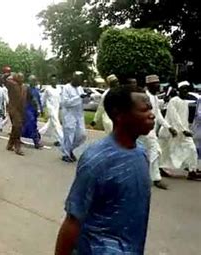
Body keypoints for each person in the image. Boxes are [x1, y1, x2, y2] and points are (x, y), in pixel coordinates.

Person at [55, 85, 154, 255]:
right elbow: (73, 220)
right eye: (144, 110)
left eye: (150, 108)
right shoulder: (96, 160)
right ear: (119, 115)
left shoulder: (142, 153)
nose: (151, 115)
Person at [139, 74, 177, 190]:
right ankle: (156, 179)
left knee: (146, 154)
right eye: (156, 84)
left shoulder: (154, 97)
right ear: (149, 85)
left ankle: (143, 176)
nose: (159, 86)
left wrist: (168, 127)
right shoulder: (145, 97)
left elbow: (158, 114)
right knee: (155, 151)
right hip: (145, 131)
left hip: (150, 130)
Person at [159, 81, 201, 180]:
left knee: (191, 149)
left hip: (182, 132)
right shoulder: (174, 100)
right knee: (165, 151)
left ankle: (192, 171)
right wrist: (183, 130)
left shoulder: (184, 102)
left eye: (187, 89)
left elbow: (184, 119)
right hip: (171, 131)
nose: (185, 91)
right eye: (183, 89)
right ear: (179, 90)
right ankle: (160, 169)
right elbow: (174, 117)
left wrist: (186, 129)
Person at [60, 71, 88, 163]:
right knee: (69, 135)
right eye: (79, 79)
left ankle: (69, 149)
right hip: (69, 115)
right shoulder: (66, 88)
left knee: (82, 135)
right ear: (74, 78)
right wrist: (79, 97)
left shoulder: (80, 88)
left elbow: (84, 101)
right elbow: (66, 103)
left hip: (79, 115)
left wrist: (87, 97)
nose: (81, 81)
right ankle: (66, 154)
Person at [4, 72, 26, 156]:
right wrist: (12, 75)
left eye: (22, 77)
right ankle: (17, 147)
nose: (21, 79)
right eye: (19, 77)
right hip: (13, 109)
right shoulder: (12, 85)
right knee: (18, 127)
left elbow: (24, 99)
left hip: (21, 110)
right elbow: (6, 79)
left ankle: (10, 144)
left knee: (15, 127)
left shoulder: (24, 87)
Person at [39, 75, 63, 146]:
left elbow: (60, 98)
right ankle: (62, 139)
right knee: (56, 123)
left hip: (57, 108)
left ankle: (38, 133)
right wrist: (41, 109)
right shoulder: (48, 89)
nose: (54, 81)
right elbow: (43, 99)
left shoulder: (59, 88)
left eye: (55, 80)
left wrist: (62, 106)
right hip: (50, 108)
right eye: (52, 80)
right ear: (50, 81)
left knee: (51, 124)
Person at [22, 75, 43, 149]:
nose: (33, 82)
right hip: (28, 109)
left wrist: (41, 109)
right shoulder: (26, 89)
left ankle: (17, 136)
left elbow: (39, 100)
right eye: (31, 80)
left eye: (34, 80)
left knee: (32, 125)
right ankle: (36, 141)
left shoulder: (36, 90)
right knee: (31, 125)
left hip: (34, 110)